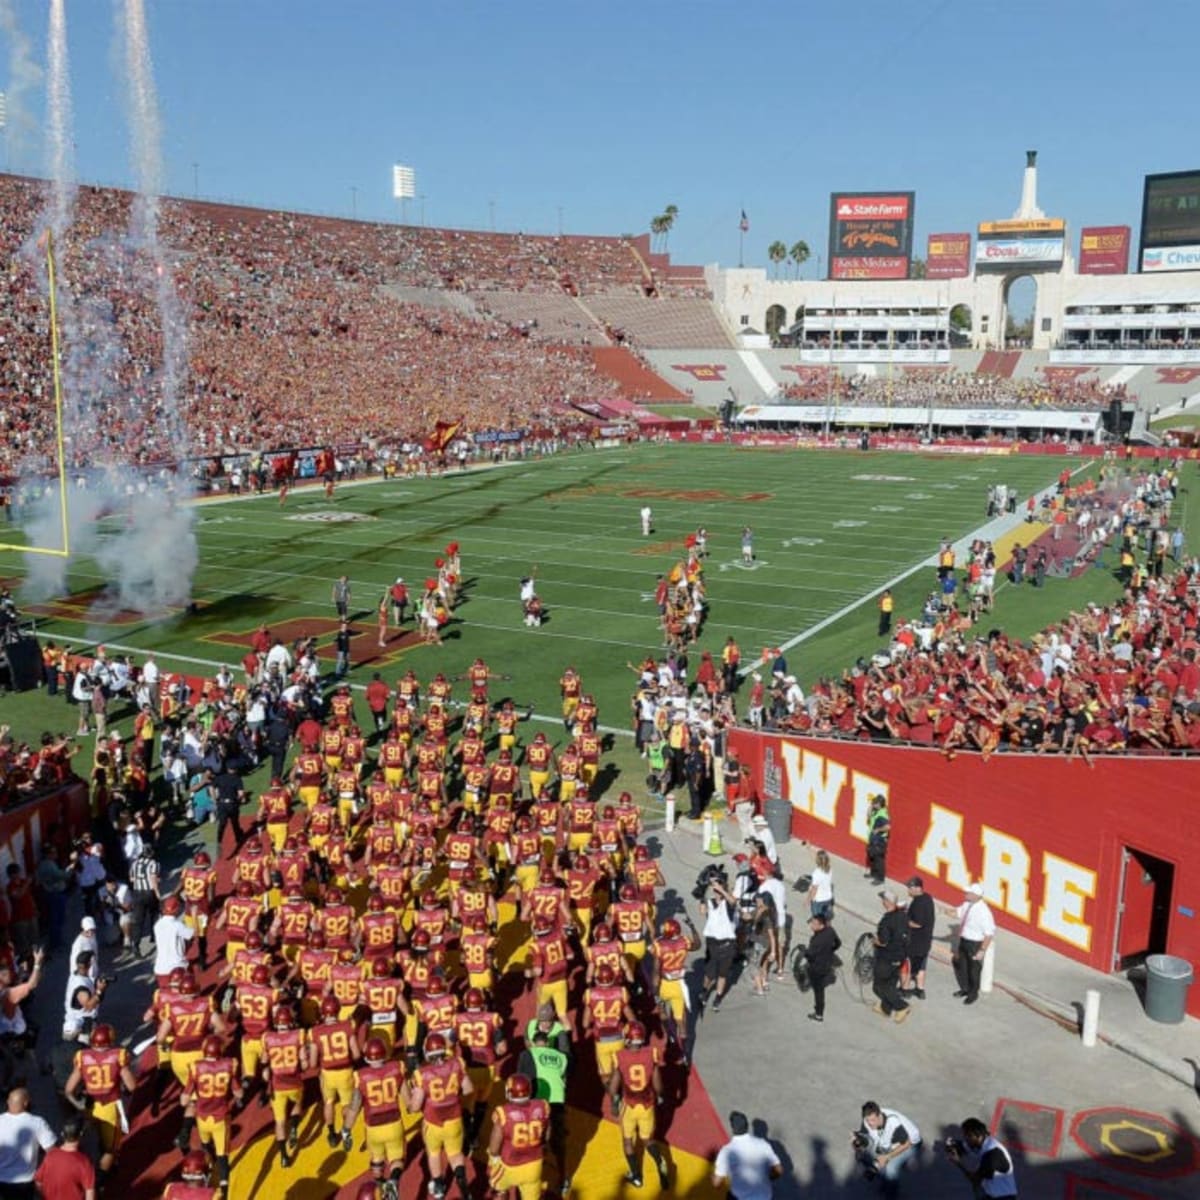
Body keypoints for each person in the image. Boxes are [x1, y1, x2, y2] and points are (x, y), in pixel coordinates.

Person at [853, 1100, 921, 1197]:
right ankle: (889, 1176)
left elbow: (907, 1143)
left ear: (879, 1115)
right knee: (871, 1157)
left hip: (911, 1142)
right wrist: (858, 1143)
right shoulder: (867, 1119)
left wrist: (887, 1157)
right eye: (868, 1120)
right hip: (891, 1140)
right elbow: (865, 1135)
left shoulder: (893, 1123)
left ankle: (892, 1193)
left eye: (872, 1120)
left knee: (890, 1168)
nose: (870, 1123)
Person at [712, 1110, 781, 1200]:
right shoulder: (763, 1144)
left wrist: (713, 1177)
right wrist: (767, 1179)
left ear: (732, 1128)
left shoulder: (726, 1151)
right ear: (747, 1126)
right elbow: (779, 1170)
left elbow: (716, 1183)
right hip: (765, 1196)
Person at [0, 1088, 56, 1197]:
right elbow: (52, 1152)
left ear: (8, 1102)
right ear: (25, 1103)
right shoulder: (37, 1122)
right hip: (26, 1181)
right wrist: (42, 1173)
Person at [946, 1117, 1018, 1198]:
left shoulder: (991, 1156)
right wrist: (955, 1145)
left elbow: (974, 1180)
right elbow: (969, 1147)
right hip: (995, 1191)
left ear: (976, 1135)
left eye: (968, 1136)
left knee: (977, 1186)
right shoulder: (987, 1142)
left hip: (1001, 1197)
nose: (965, 1139)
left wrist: (958, 1163)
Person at [699, 871, 738, 1013]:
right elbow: (702, 911)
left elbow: (733, 901)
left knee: (722, 973)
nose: (716, 893)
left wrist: (722, 890)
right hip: (712, 943)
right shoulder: (710, 903)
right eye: (714, 890)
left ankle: (718, 997)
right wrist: (702, 894)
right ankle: (704, 991)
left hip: (727, 944)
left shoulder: (728, 905)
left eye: (718, 891)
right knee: (709, 973)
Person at [953, 882, 996, 1006]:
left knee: (974, 970)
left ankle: (973, 994)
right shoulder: (968, 904)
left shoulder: (984, 912)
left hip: (975, 943)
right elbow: (957, 913)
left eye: (969, 892)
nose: (966, 894)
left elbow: (989, 933)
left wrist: (982, 950)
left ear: (976, 895)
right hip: (964, 940)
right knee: (963, 966)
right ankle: (965, 989)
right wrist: (943, 911)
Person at [871, 891, 910, 1024]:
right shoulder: (903, 916)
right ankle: (885, 1008)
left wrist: (875, 941)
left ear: (888, 902)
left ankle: (902, 1006)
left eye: (883, 900)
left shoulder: (887, 921)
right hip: (900, 956)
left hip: (887, 957)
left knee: (879, 986)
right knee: (891, 983)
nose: (882, 902)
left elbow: (883, 941)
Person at [32, 1117, 93, 1200]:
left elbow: (38, 1182)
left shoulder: (50, 1156)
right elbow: (89, 1192)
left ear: (62, 1134)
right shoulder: (83, 1161)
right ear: (81, 1134)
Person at [803, 912, 840, 1023]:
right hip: (826, 965)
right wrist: (830, 950)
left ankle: (819, 1014)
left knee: (818, 991)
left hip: (817, 968)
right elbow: (838, 943)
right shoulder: (831, 931)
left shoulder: (817, 940)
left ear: (821, 925)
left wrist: (803, 951)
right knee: (820, 989)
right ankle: (819, 1011)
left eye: (814, 923)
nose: (811, 925)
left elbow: (810, 955)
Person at [903, 876, 934, 1000]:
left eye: (910, 888)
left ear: (917, 888)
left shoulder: (918, 903)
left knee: (908, 966)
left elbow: (918, 923)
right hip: (926, 942)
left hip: (915, 942)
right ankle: (920, 990)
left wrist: (904, 920)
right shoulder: (927, 898)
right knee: (921, 966)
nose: (908, 890)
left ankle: (904, 990)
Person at [865, 794, 889, 885]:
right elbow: (869, 817)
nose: (873, 804)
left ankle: (880, 878)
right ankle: (873, 874)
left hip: (879, 841)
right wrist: (871, 807)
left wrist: (878, 830)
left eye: (875, 803)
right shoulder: (876, 811)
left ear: (879, 804)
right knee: (872, 857)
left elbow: (887, 827)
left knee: (879, 860)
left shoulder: (882, 814)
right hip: (873, 840)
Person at [809, 849, 834, 921]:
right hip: (827, 897)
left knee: (817, 918)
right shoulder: (829, 868)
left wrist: (811, 899)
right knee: (824, 917)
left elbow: (814, 888)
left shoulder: (816, 873)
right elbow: (819, 858)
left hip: (818, 899)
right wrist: (809, 848)